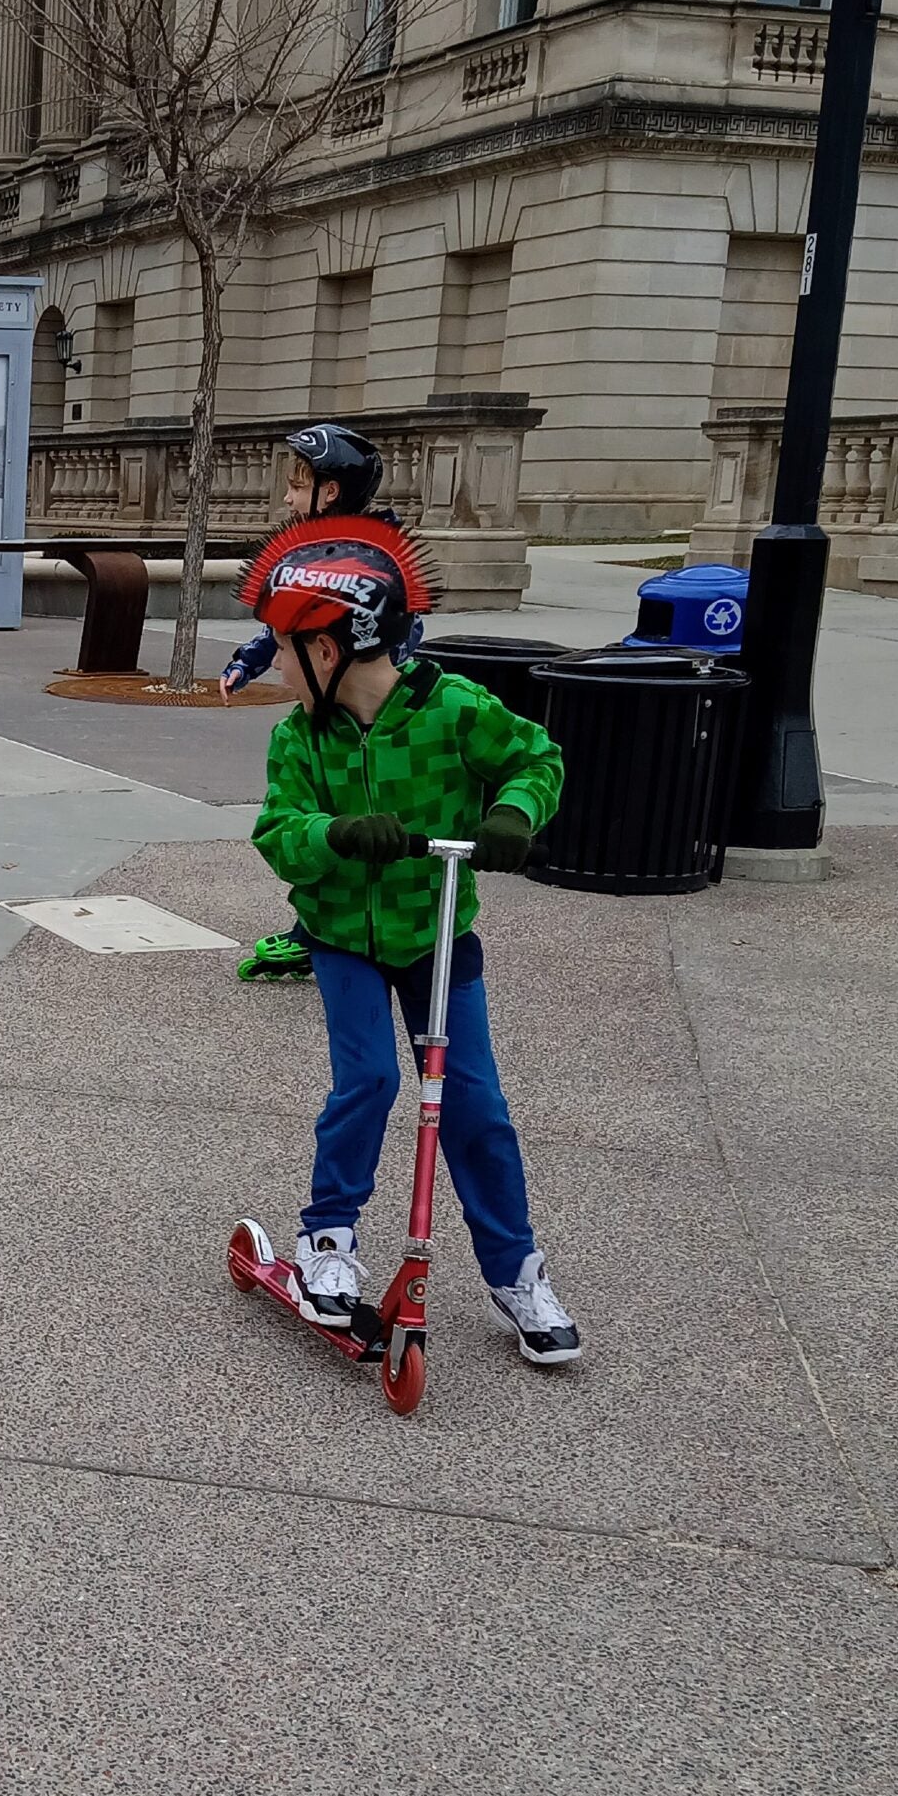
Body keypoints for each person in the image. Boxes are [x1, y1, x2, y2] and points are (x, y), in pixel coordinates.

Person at [244, 515, 580, 1366]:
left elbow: (536, 759)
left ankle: (515, 1270)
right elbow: (278, 830)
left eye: (284, 647)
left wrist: (512, 814)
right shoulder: (299, 737)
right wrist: (334, 834)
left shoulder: (453, 710)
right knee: (368, 1080)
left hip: (436, 936)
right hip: (344, 938)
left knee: (473, 1106)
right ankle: (327, 1238)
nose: (275, 664)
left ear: (330, 650)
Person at [221, 423, 389, 984]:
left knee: (352, 814)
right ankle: (316, 930)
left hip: (366, 718)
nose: (287, 499)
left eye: (296, 487)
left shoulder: (372, 556)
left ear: (329, 491)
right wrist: (249, 660)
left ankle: (331, 933)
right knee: (321, 818)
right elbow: (284, 624)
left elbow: (396, 635)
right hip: (329, 714)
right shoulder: (307, 555)